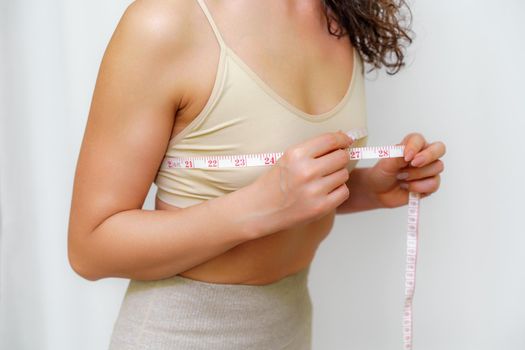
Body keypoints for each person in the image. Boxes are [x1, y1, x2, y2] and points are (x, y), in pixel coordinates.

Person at [67, 0, 446, 348]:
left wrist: (368, 189)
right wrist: (258, 207)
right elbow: (90, 249)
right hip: (182, 333)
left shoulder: (340, 16)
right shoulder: (166, 22)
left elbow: (282, 192)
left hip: (291, 327)